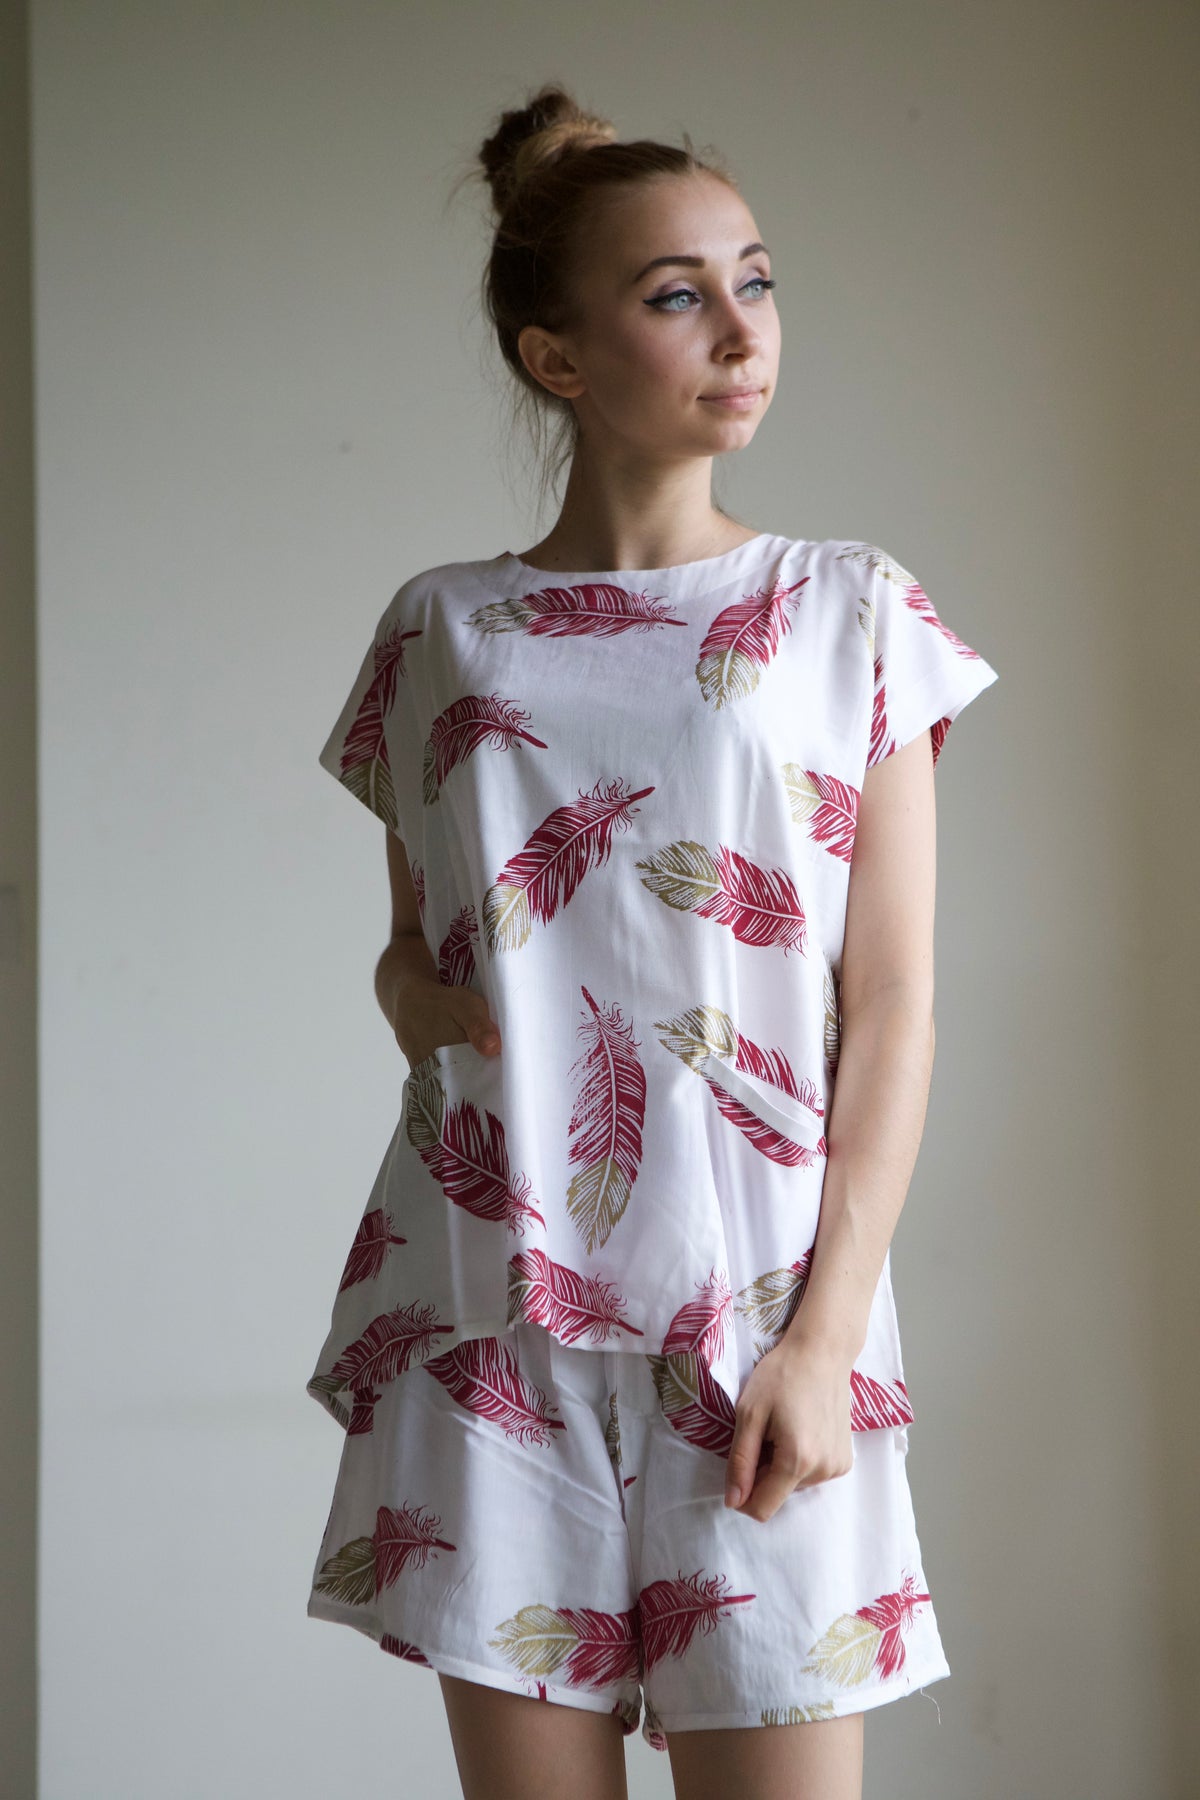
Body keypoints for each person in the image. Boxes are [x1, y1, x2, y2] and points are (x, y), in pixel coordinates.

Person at [304, 82, 999, 1800]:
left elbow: (893, 1000)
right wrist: (432, 1006)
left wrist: (824, 1339)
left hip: (762, 1306)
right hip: (495, 1303)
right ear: (556, 356)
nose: (743, 333)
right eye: (679, 296)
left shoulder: (851, 610)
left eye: (755, 281)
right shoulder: (443, 630)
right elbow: (405, 951)